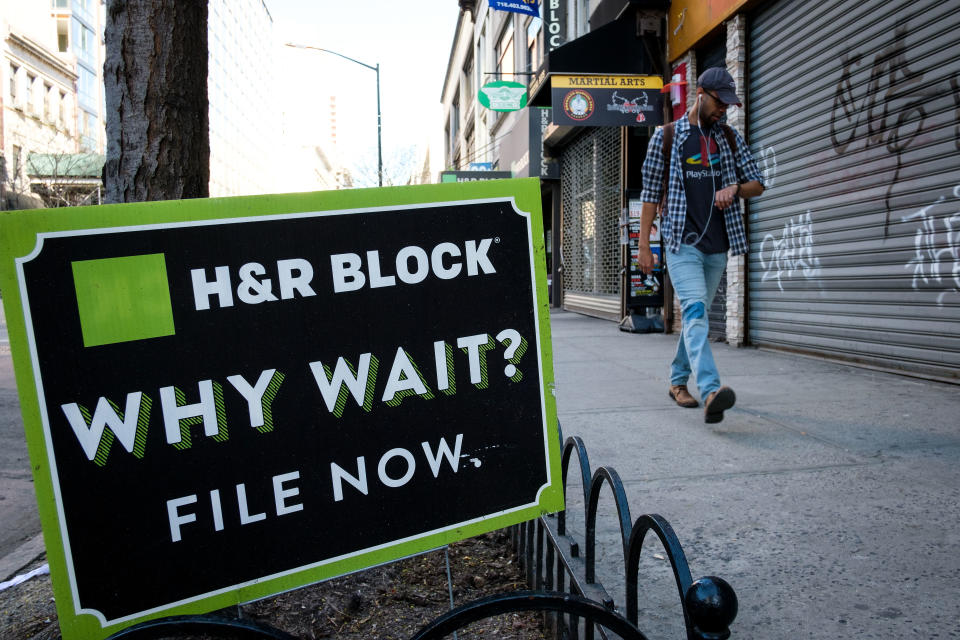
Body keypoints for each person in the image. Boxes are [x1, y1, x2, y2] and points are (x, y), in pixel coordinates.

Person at [637, 67, 765, 423]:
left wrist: (736, 189)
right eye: (720, 102)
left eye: (729, 104)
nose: (724, 109)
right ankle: (710, 390)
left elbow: (758, 182)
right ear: (701, 94)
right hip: (681, 243)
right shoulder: (665, 137)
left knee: (697, 319)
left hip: (717, 246)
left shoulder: (729, 138)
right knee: (694, 312)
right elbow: (649, 196)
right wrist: (645, 247)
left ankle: (677, 382)